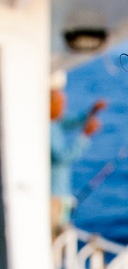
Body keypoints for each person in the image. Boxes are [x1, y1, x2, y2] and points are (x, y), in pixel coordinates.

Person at [50, 72, 106, 237]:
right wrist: (85, 136)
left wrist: (91, 112)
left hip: (59, 196)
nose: (62, 106)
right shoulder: (46, 127)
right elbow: (63, 156)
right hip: (52, 198)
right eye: (59, 102)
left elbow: (70, 122)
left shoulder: (53, 124)